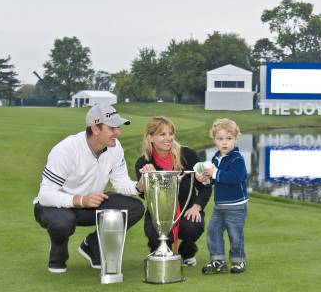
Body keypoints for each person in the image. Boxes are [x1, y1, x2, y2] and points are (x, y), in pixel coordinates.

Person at [33, 104, 145, 274]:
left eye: (118, 127)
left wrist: (138, 186)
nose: (118, 133)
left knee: (135, 208)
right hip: (55, 207)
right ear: (95, 128)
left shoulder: (115, 148)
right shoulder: (65, 150)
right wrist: (80, 200)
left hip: (90, 204)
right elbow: (45, 195)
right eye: (112, 128)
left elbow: (121, 183)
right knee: (63, 223)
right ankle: (58, 251)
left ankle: (92, 246)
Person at [134, 116, 212, 267]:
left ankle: (187, 252)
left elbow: (205, 186)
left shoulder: (188, 154)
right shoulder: (143, 163)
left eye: (171, 133)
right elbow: (144, 193)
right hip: (158, 215)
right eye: (162, 134)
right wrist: (145, 178)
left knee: (193, 226)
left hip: (186, 211)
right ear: (150, 137)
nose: (168, 138)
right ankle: (160, 249)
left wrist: (197, 206)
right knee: (158, 240)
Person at [200, 118, 248, 274]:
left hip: (236, 206)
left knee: (235, 235)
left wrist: (215, 173)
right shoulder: (215, 158)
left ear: (235, 139)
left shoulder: (237, 159)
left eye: (229, 138)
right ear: (214, 140)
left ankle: (238, 261)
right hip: (219, 206)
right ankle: (218, 261)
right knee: (213, 231)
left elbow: (236, 177)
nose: (224, 143)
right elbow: (215, 180)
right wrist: (206, 180)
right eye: (220, 139)